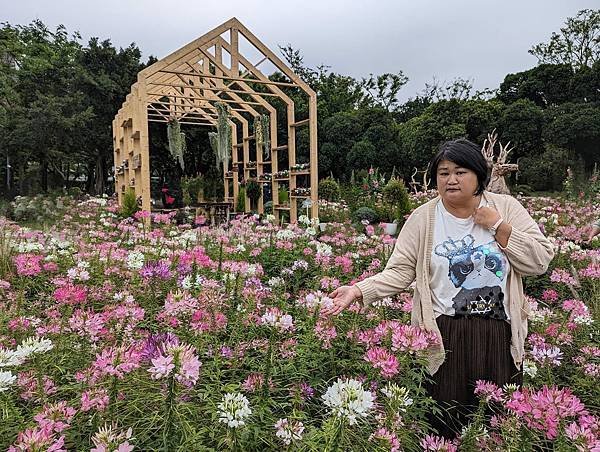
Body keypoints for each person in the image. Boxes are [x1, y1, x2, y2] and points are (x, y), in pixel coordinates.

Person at [322, 139, 554, 438]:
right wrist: (359, 290)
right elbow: (401, 270)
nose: (451, 180)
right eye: (443, 173)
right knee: (445, 424)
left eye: (460, 172)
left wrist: (499, 227)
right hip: (443, 335)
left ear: (478, 176)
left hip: (499, 334)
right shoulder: (423, 217)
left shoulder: (505, 208)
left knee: (498, 424)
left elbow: (540, 261)